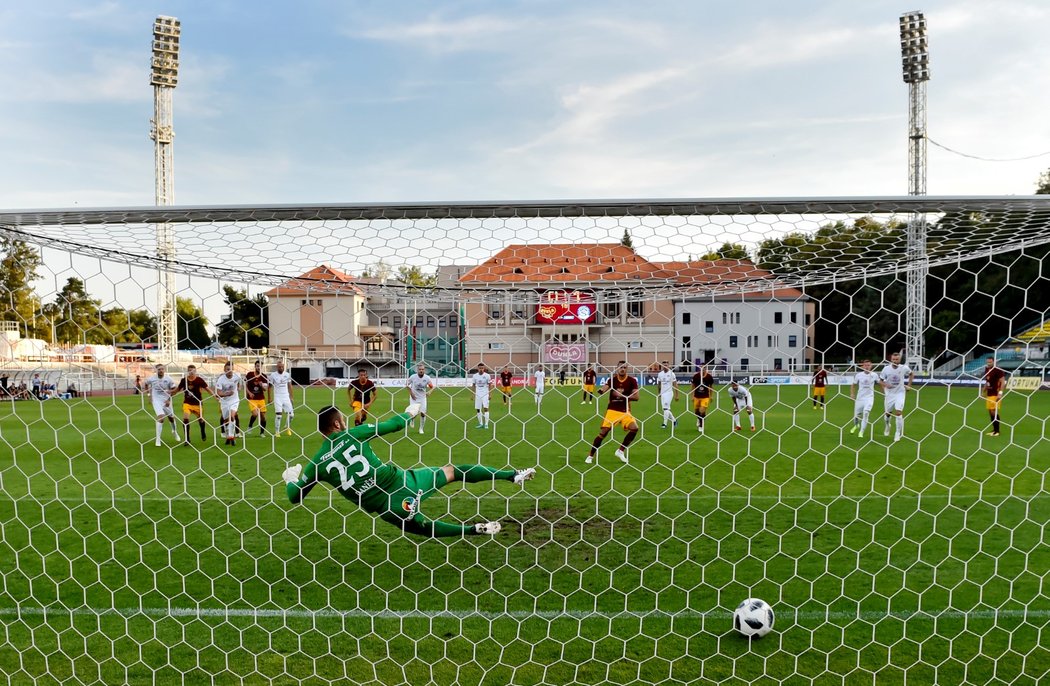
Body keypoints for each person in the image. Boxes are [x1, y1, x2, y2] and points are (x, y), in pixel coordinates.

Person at [283, 404, 536, 537]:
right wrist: (409, 413)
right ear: (338, 423)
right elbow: (394, 425)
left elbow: (295, 496)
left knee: (423, 527)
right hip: (405, 482)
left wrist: (291, 478)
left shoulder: (317, 463)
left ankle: (473, 530)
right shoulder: (352, 434)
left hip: (388, 509)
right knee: (452, 471)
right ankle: (511, 475)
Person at [585, 361, 639, 465]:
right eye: (620, 367)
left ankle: (620, 451)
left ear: (627, 369)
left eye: (624, 367)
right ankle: (590, 455)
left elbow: (637, 397)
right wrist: (601, 390)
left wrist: (622, 396)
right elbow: (604, 388)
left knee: (634, 428)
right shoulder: (612, 380)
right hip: (612, 411)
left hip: (625, 411)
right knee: (603, 433)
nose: (622, 369)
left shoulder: (632, 381)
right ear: (617, 368)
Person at [173, 364, 213, 445]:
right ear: (187, 371)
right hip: (187, 403)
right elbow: (177, 389)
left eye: (193, 371)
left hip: (198, 403)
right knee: (185, 419)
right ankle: (187, 439)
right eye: (190, 371)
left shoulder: (199, 380)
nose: (191, 372)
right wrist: (170, 394)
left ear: (195, 371)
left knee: (201, 420)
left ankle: (202, 431)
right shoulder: (184, 380)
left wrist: (215, 396)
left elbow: (207, 389)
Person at [879, 352, 914, 442]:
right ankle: (887, 425)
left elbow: (911, 374)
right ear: (891, 359)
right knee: (887, 414)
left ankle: (897, 433)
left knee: (898, 412)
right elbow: (880, 381)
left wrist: (909, 385)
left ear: (899, 360)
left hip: (900, 393)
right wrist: (885, 385)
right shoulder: (886, 369)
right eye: (893, 359)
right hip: (889, 394)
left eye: (897, 359)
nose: (895, 361)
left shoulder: (904, 368)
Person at [144, 363, 180, 447]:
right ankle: (158, 439)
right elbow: (146, 384)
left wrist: (168, 400)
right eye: (159, 369)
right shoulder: (152, 378)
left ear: (164, 370)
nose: (161, 370)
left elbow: (174, 389)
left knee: (171, 418)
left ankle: (174, 432)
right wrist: (149, 395)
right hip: (156, 400)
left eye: (162, 369)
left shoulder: (169, 379)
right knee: (161, 417)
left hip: (166, 400)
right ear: (156, 370)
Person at [214, 362, 244, 446]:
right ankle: (228, 436)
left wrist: (238, 387)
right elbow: (218, 393)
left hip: (234, 400)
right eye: (228, 369)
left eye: (231, 369)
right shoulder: (221, 379)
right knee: (226, 420)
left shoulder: (237, 375)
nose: (230, 371)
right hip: (224, 401)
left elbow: (238, 381)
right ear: (224, 370)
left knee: (232, 416)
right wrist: (226, 394)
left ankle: (231, 437)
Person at [849, 360, 879, 438]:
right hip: (860, 398)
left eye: (868, 365)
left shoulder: (874, 375)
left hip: (869, 398)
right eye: (865, 365)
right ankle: (856, 425)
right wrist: (852, 394)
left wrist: (886, 393)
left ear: (871, 366)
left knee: (866, 413)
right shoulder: (858, 375)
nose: (867, 367)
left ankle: (861, 432)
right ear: (862, 366)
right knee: (856, 417)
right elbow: (853, 385)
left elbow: (880, 384)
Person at [268, 360, 294, 437]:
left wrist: (291, 397)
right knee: (279, 416)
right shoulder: (273, 375)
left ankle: (287, 427)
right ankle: (277, 431)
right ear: (277, 367)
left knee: (291, 415)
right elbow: (270, 387)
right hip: (277, 396)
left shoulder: (287, 374)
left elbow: (290, 385)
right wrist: (269, 398)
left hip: (286, 396)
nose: (281, 368)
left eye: (282, 367)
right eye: (279, 367)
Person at [405, 363, 434, 434]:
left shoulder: (427, 378)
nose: (421, 371)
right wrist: (411, 393)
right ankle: (412, 419)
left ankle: (421, 429)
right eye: (420, 369)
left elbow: (432, 387)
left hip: (422, 398)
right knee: (413, 413)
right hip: (414, 398)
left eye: (422, 369)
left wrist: (430, 391)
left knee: (423, 413)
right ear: (417, 370)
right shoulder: (413, 377)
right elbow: (406, 385)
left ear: (424, 370)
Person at [982, 356, 1006, 437]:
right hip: (989, 394)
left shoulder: (998, 370)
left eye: (990, 362)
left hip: (995, 394)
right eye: (987, 362)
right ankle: (994, 430)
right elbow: (987, 381)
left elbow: (1002, 382)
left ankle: (997, 431)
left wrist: (1000, 393)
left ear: (994, 362)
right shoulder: (987, 369)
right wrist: (983, 391)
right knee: (990, 412)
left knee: (993, 411)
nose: (988, 363)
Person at [245, 360, 269, 437]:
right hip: (252, 399)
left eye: (260, 366)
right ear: (255, 366)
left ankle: (262, 433)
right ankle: (250, 426)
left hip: (261, 398)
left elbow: (265, 389)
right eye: (257, 366)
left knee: (263, 417)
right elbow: (245, 384)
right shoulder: (249, 374)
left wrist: (261, 385)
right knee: (255, 414)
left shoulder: (264, 376)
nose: (259, 368)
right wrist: (249, 393)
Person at [690, 365, 715, 433]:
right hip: (696, 397)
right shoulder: (696, 376)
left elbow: (711, 387)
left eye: (704, 368)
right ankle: (699, 419)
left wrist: (711, 396)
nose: (702, 369)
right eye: (701, 368)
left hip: (705, 397)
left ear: (706, 369)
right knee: (696, 412)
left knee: (702, 411)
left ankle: (701, 426)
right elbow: (692, 386)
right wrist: (692, 395)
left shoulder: (709, 377)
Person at [656, 361, 679, 429]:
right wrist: (659, 393)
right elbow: (659, 384)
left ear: (668, 366)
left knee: (666, 408)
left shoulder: (672, 374)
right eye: (664, 365)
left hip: (669, 393)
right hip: (663, 394)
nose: (665, 366)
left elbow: (675, 385)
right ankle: (674, 420)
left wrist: (677, 395)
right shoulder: (660, 374)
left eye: (666, 365)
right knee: (665, 409)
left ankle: (664, 424)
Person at [471, 363, 493, 428]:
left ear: (484, 368)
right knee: (478, 409)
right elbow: (473, 385)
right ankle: (480, 423)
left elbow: (490, 385)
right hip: (478, 393)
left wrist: (490, 394)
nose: (481, 369)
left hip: (485, 393)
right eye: (480, 368)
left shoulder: (487, 376)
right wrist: (472, 394)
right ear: (478, 368)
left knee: (486, 408)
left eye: (482, 368)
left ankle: (486, 424)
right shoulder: (475, 376)